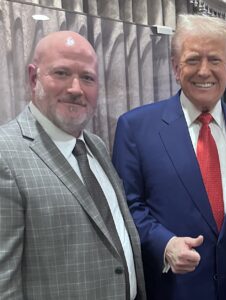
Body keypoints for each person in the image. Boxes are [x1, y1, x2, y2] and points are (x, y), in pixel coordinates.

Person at [112, 14, 226, 300]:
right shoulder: (136, 128)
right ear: (175, 67)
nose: (204, 71)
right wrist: (165, 244)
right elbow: (127, 207)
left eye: (215, 60)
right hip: (171, 290)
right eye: (193, 59)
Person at [0, 31, 146, 300]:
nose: (76, 89)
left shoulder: (96, 146)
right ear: (33, 79)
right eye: (62, 73)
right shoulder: (4, 154)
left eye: (87, 78)